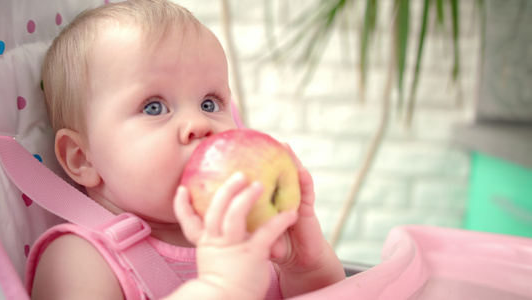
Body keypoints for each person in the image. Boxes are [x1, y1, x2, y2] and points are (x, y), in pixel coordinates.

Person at [27, 0, 346, 299]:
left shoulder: (248, 236)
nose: (198, 122)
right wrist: (219, 287)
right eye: (154, 107)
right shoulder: (82, 257)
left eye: (210, 103)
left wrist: (308, 266)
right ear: (82, 158)